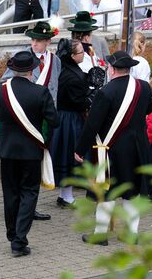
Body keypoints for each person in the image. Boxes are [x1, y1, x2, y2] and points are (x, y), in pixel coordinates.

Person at [0, 51, 58, 257]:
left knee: (10, 193)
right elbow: (55, 121)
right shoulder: (40, 92)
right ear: (32, 70)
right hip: (31, 152)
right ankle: (19, 240)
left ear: (13, 69)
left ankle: (11, 233)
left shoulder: (0, 89)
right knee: (29, 193)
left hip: (7, 151)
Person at [76, 50, 152, 245]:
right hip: (137, 148)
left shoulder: (105, 92)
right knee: (132, 191)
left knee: (107, 191)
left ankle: (101, 235)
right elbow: (150, 108)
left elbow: (92, 124)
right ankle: (131, 233)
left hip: (112, 150)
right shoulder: (143, 87)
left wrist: (79, 149)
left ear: (111, 69)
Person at [50, 39, 91, 209]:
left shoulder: (61, 70)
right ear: (73, 56)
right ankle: (66, 196)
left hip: (61, 118)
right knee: (69, 155)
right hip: (70, 120)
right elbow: (79, 102)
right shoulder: (74, 76)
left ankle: (65, 195)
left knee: (63, 155)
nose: (84, 54)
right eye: (81, 51)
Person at [2, 20, 61, 105]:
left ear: (48, 41)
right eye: (33, 40)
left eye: (39, 41)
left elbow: (55, 87)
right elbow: (4, 82)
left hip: (49, 110)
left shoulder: (55, 60)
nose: (34, 44)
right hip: (28, 108)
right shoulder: (21, 58)